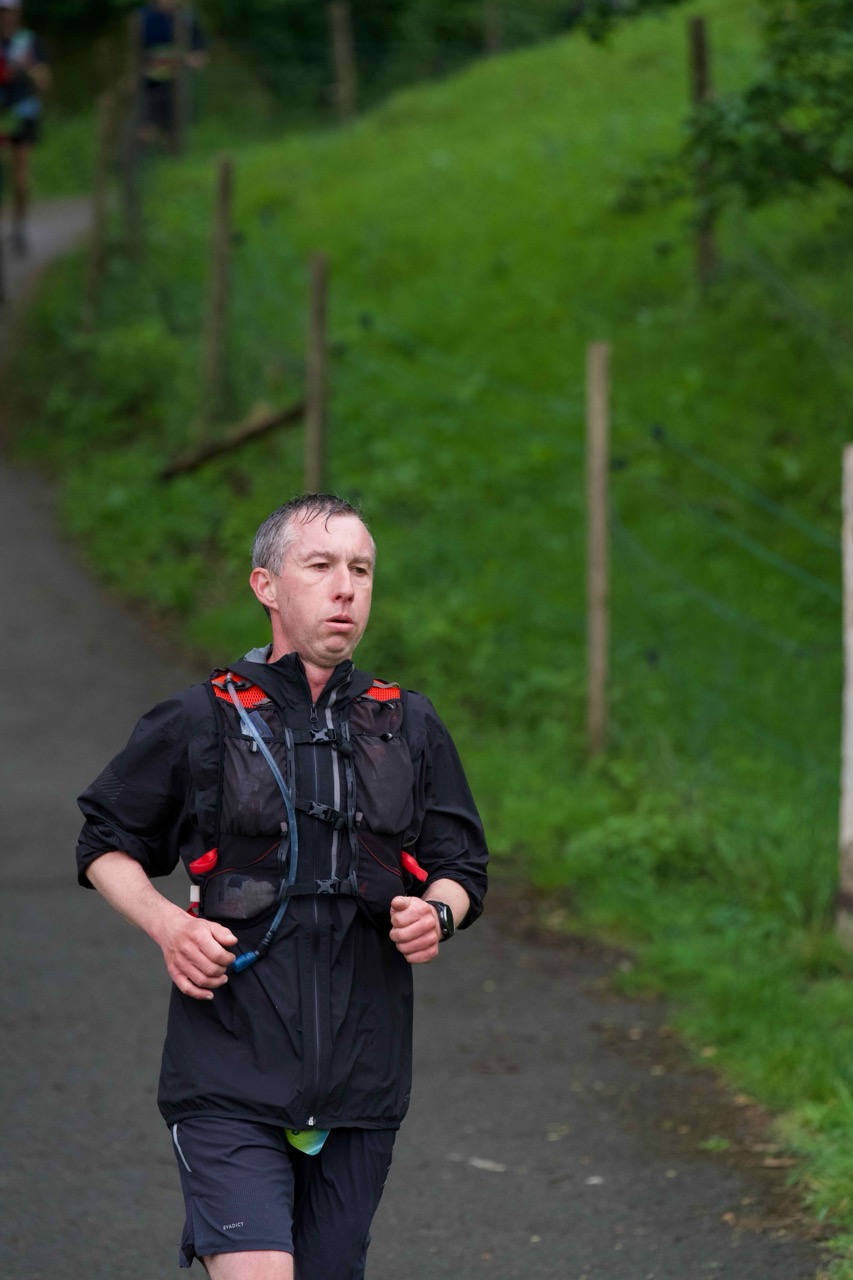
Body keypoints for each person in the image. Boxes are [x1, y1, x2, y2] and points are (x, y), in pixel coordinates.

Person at [76, 493, 489, 1279]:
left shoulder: (409, 723)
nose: (345, 588)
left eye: (361, 570)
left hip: (362, 1082)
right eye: (321, 566)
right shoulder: (199, 719)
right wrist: (170, 926)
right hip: (227, 1070)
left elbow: (461, 864)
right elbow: (104, 842)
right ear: (265, 585)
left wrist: (436, 912)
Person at [0, 0, 49, 256]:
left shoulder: (29, 41)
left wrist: (26, 68)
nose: (5, 16)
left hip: (23, 111)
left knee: (20, 175)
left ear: (17, 12)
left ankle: (19, 228)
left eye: (9, 11)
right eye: (2, 11)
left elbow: (45, 80)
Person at [135, 0, 207, 151]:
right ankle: (145, 155)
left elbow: (197, 43)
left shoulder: (186, 15)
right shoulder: (143, 16)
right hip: (149, 81)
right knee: (147, 124)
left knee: (174, 123)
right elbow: (137, 48)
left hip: (177, 81)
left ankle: (171, 155)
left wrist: (197, 56)